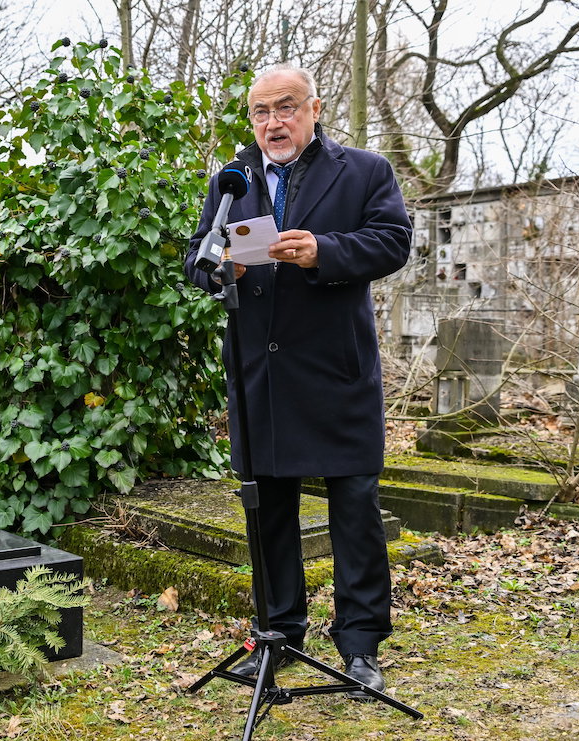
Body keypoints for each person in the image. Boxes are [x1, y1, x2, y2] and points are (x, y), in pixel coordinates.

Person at [185, 65, 411, 696]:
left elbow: (393, 241)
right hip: (261, 373)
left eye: (285, 107)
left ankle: (361, 645)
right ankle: (278, 633)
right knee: (271, 512)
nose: (272, 122)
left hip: (336, 372)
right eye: (260, 112)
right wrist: (218, 269)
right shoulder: (233, 181)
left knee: (355, 509)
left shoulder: (365, 171)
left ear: (313, 109)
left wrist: (324, 253)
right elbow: (197, 255)